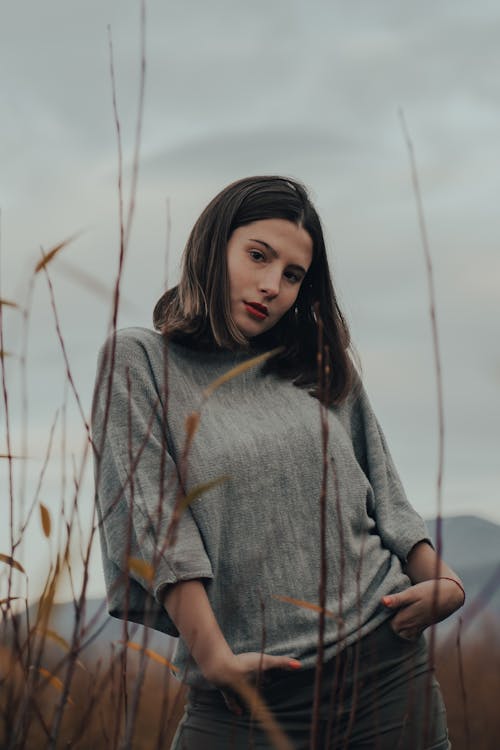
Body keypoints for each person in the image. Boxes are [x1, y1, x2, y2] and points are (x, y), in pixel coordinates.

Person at [91, 176, 465, 749]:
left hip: (389, 676)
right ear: (212, 245)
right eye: (258, 256)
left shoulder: (316, 362)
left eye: (292, 275)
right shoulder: (141, 361)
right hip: (246, 701)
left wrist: (443, 581)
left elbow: (383, 490)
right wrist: (214, 657)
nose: (271, 286)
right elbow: (156, 522)